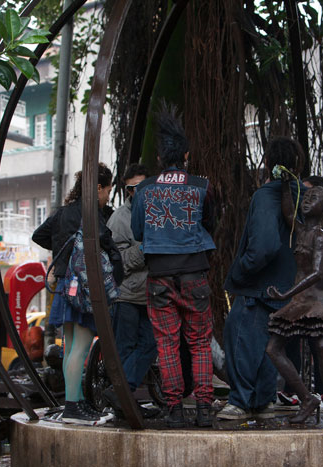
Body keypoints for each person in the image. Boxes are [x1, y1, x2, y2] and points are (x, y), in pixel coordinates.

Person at [131, 104, 216, 428]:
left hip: (159, 277)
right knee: (199, 342)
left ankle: (175, 410)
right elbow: (210, 222)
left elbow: (139, 232)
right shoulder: (201, 187)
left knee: (166, 344)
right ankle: (205, 409)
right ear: (186, 155)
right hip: (195, 272)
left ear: (159, 158)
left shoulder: (143, 189)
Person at [219, 136, 306, 421]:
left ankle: (241, 402)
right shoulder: (305, 195)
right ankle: (264, 401)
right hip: (292, 287)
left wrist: (242, 271)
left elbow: (264, 247)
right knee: (273, 346)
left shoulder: (266, 195)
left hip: (261, 287)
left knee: (242, 338)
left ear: (267, 163)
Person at [32, 166, 121, 425]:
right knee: (79, 350)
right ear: (97, 188)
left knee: (70, 347)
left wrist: (61, 249)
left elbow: (39, 235)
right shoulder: (92, 215)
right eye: (107, 190)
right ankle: (72, 407)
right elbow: (109, 248)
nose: (107, 196)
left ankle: (77, 400)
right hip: (83, 288)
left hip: (63, 286)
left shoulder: (62, 213)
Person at [265, 182, 323, 424]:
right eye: (307, 197)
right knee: (273, 349)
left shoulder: (320, 237)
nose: (308, 200)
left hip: (318, 301)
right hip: (302, 300)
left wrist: (286, 294)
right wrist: (284, 183)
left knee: (321, 350)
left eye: (315, 198)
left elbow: (318, 273)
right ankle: (307, 397)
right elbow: (289, 212)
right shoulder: (301, 230)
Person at [103, 163, 160, 418]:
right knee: (123, 349)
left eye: (143, 186)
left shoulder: (160, 210)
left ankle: (120, 394)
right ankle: (123, 401)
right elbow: (117, 261)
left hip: (154, 293)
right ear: (126, 190)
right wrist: (147, 248)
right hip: (126, 295)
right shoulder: (119, 218)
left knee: (150, 345)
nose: (138, 192)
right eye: (132, 188)